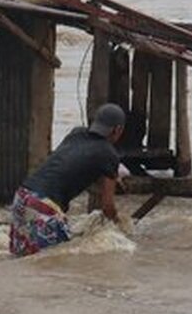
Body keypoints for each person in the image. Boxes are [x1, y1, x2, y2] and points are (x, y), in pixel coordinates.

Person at [8, 103, 127, 257]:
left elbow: (71, 164)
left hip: (22, 196)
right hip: (44, 205)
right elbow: (107, 207)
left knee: (22, 258)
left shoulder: (76, 133)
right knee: (54, 261)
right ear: (118, 130)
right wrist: (121, 227)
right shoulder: (109, 154)